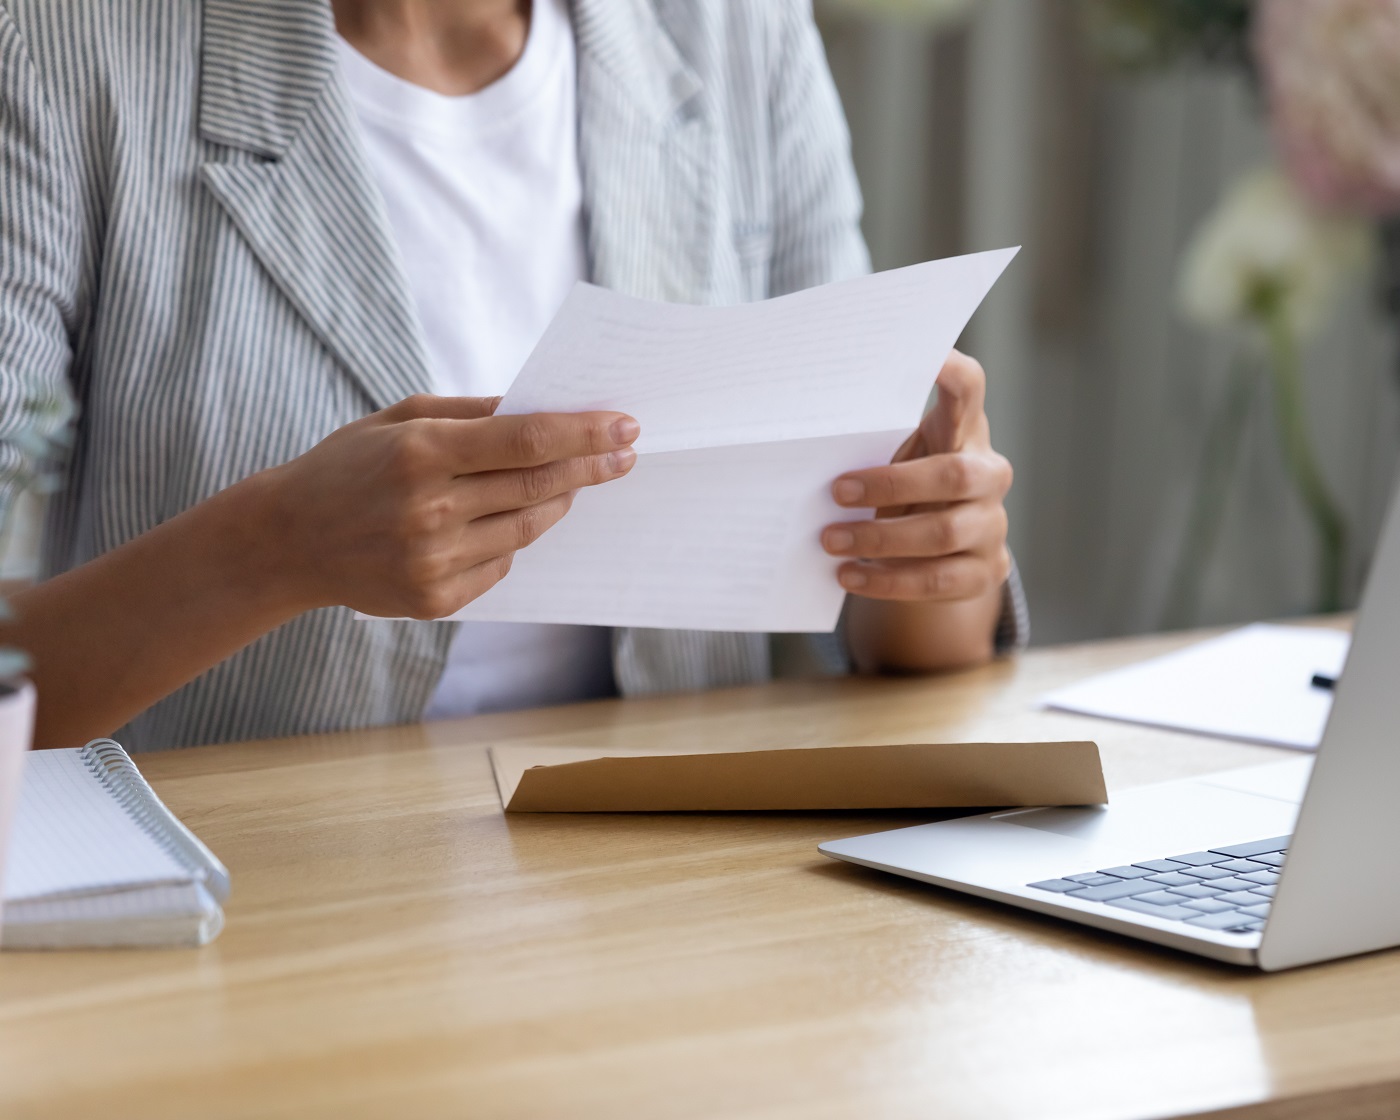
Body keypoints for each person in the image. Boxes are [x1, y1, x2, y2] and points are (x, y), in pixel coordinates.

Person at [0, 0, 1026, 752]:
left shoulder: (736, 32)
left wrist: (937, 550)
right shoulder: (56, 51)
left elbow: (904, 646)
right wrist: (276, 549)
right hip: (261, 904)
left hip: (683, 893)